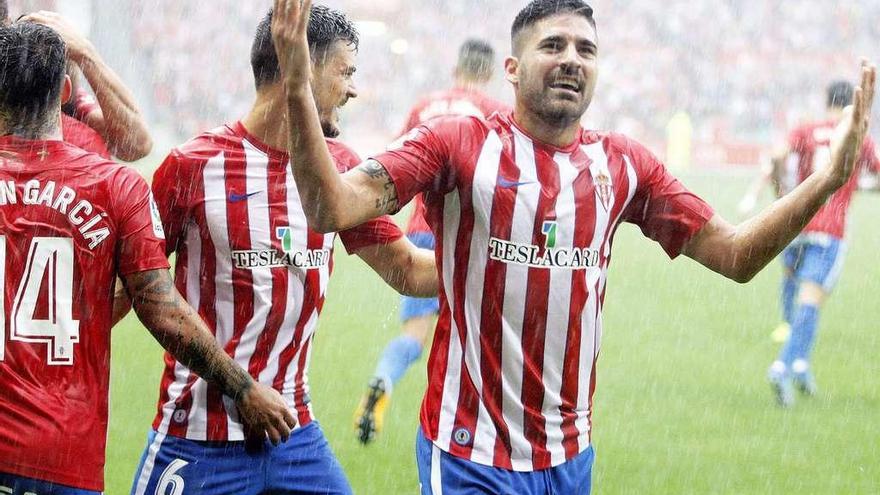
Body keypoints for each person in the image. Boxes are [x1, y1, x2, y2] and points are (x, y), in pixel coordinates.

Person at [272, 0, 876, 492]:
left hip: (569, 459)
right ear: (512, 68)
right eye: (553, 46)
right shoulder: (456, 142)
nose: (571, 60)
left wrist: (827, 179)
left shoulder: (624, 165)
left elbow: (737, 256)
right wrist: (300, 89)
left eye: (586, 49)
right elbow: (332, 207)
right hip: (468, 454)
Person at [128, 6, 437, 495]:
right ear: (300, 66)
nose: (353, 90)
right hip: (198, 437)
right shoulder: (194, 167)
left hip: (294, 433)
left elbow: (407, 271)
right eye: (346, 72)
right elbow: (135, 297)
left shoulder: (338, 173)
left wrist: (503, 257)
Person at [0, 21, 294, 495]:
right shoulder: (116, 185)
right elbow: (161, 308)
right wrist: (243, 388)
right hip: (57, 451)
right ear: (65, 93)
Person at [355, 38, 510, 445]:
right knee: (476, 335)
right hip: (473, 237)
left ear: (456, 67)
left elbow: (396, 168)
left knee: (415, 333)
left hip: (423, 229)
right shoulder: (497, 113)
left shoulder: (424, 107)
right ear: (490, 72)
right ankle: (470, 423)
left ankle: (384, 376)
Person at [754, 81, 879, 407]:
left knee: (797, 292)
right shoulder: (857, 136)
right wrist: (861, 186)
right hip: (830, 230)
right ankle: (782, 367)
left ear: (826, 101)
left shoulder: (806, 130)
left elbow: (777, 155)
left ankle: (800, 365)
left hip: (799, 224)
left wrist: (781, 189)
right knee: (812, 302)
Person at [22, 10, 153, 162]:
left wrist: (85, 53)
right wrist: (85, 54)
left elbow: (137, 144)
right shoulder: (85, 145)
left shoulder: (64, 101)